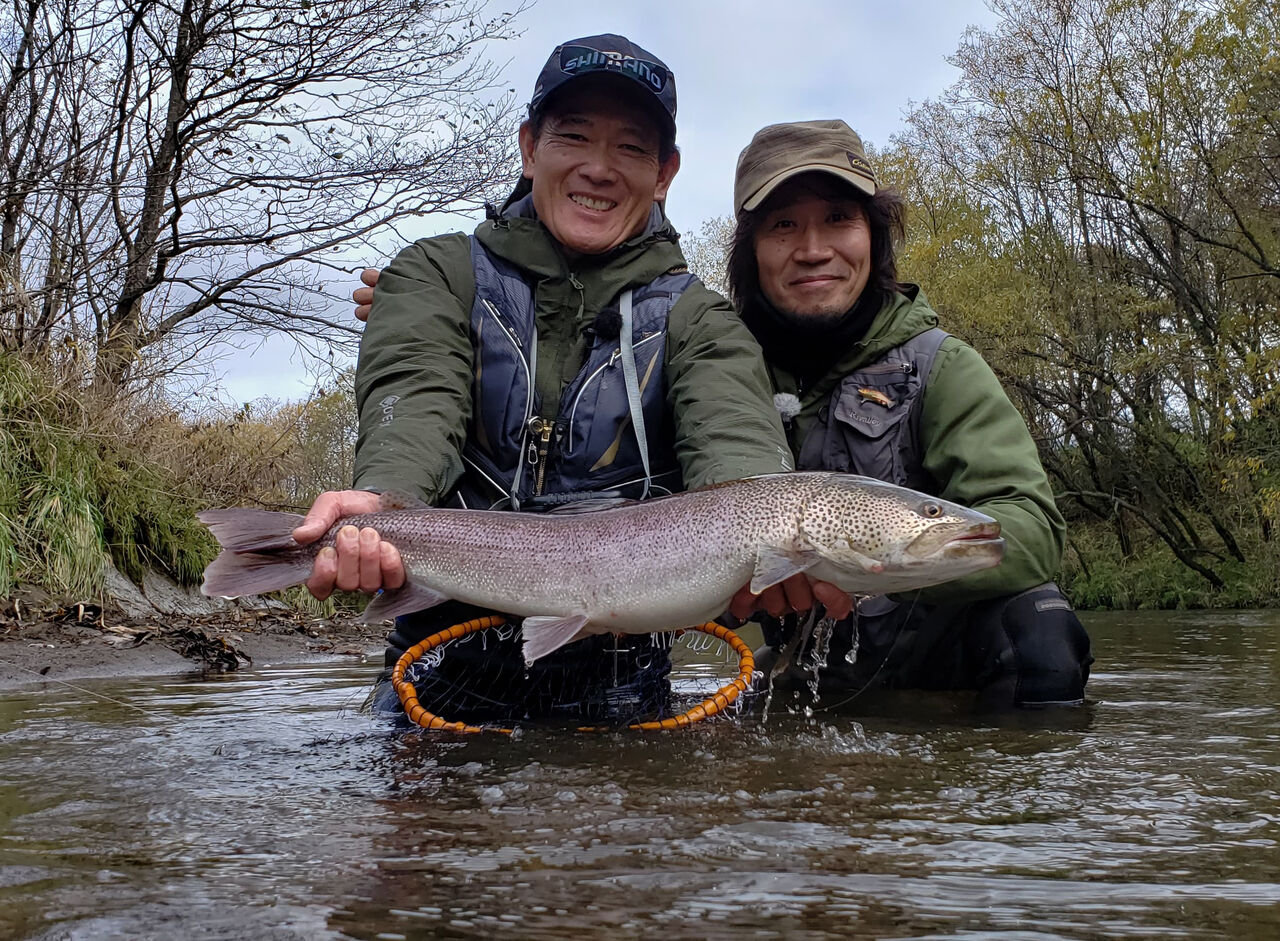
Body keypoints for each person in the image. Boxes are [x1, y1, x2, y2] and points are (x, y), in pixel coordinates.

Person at [302, 36, 849, 723]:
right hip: (436, 670)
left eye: (630, 148)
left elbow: (740, 456)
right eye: (575, 136)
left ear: (665, 174)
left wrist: (776, 542)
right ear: (530, 147)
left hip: (625, 693)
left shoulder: (702, 321)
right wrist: (383, 498)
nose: (599, 168)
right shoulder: (434, 274)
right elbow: (415, 399)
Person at [722, 120, 1093, 707]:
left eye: (839, 219)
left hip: (942, 654)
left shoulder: (944, 366)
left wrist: (870, 568)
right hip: (806, 658)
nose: (814, 249)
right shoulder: (713, 374)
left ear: (873, 235)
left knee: (1040, 628)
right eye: (784, 224)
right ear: (752, 251)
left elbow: (1031, 527)